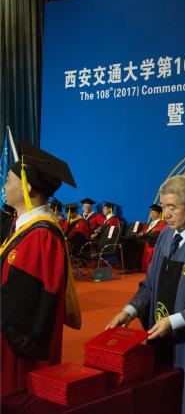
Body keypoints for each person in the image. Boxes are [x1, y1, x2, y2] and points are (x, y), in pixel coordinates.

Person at [106, 175, 185, 414]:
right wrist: (129, 311)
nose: (165, 214)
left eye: (172, 207)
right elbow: (150, 284)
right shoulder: (167, 236)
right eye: (163, 206)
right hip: (160, 337)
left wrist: (173, 321)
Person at [1, 141, 81, 397]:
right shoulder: (24, 228)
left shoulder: (41, 236)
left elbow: (24, 304)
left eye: (9, 180)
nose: (4, 186)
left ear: (27, 187)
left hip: (18, 350)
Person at [140, 204, 166, 271]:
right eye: (151, 212)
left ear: (159, 214)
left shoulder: (161, 223)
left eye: (154, 212)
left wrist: (145, 235)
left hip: (153, 243)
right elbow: (144, 231)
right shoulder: (150, 223)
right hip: (146, 240)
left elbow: (157, 235)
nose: (152, 214)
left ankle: (150, 268)